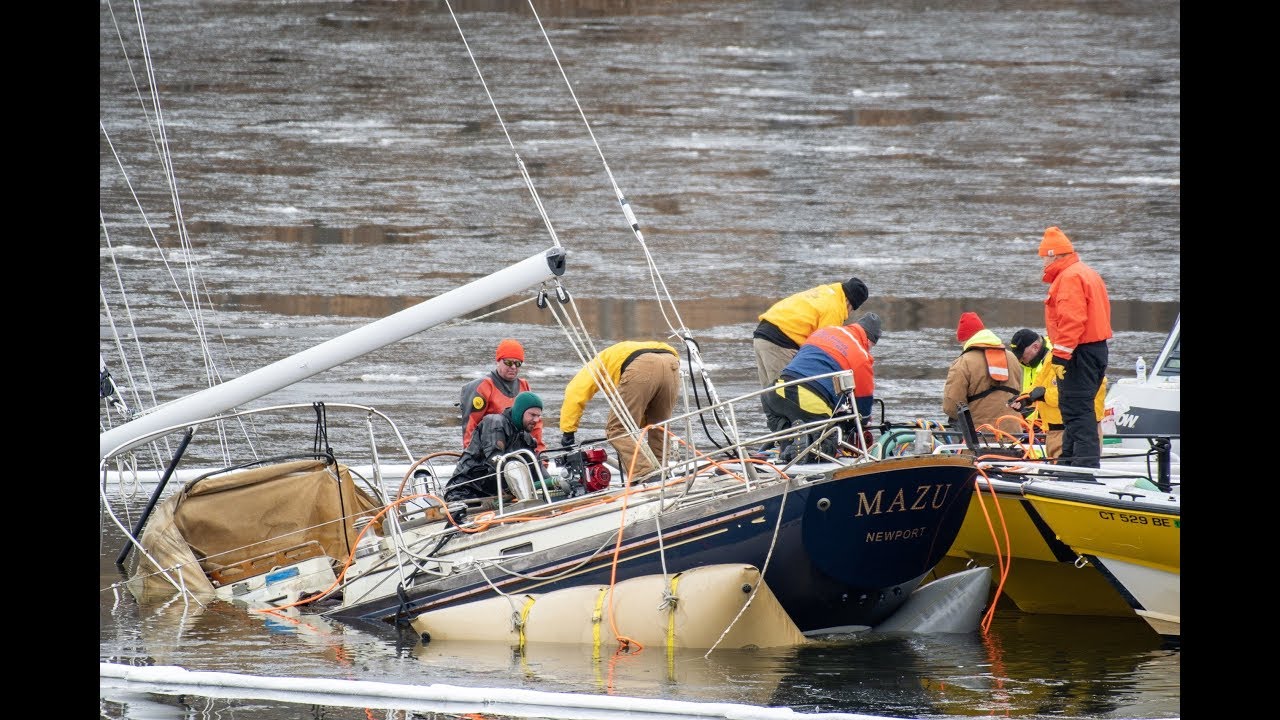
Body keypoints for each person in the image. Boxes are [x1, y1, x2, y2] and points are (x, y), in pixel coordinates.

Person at [1037, 226, 1112, 468]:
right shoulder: (1086, 273)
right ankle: (1069, 466)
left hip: (1078, 354)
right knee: (1074, 412)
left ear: (1054, 254)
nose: (1043, 262)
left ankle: (1083, 471)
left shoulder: (1069, 278)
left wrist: (1060, 355)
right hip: (1093, 351)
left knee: (1077, 414)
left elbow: (1072, 320)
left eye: (1044, 257)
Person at [761, 313, 880, 463]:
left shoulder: (825, 332)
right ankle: (806, 449)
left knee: (788, 431)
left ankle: (790, 447)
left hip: (775, 392)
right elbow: (863, 404)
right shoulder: (861, 355)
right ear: (869, 341)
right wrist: (862, 423)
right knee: (829, 444)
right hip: (807, 398)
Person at [558, 340, 681, 480]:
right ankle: (662, 473)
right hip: (671, 361)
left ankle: (645, 474)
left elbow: (575, 391)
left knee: (617, 429)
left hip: (640, 364)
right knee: (658, 427)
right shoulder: (616, 355)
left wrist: (568, 432)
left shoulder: (597, 363)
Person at [752, 277, 869, 391]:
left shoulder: (825, 291)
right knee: (786, 394)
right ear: (849, 303)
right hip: (780, 342)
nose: (848, 314)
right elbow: (825, 350)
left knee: (769, 393)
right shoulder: (835, 309)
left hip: (762, 335)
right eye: (851, 310)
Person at [1007, 328, 1108, 459]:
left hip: (1072, 429)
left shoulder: (1081, 358)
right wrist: (1025, 398)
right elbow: (1039, 384)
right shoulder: (1052, 357)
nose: (1022, 361)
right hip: (1056, 431)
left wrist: (1043, 395)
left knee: (1070, 471)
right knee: (1059, 470)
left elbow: (1074, 393)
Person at [445, 391, 544, 502]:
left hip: (494, 495)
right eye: (532, 415)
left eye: (538, 416)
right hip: (465, 492)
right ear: (520, 412)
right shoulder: (494, 423)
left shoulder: (525, 438)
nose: (536, 420)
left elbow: (536, 468)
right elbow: (495, 460)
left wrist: (554, 485)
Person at [942, 311, 1024, 436]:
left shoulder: (963, 362)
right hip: (1013, 434)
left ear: (966, 340)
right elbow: (1020, 393)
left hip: (980, 437)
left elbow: (952, 406)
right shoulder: (1012, 358)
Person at [460, 338, 545, 454]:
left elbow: (535, 425)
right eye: (509, 363)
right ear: (498, 361)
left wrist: (540, 455)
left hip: (517, 449)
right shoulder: (483, 387)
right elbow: (470, 426)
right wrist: (470, 457)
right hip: (489, 451)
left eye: (518, 363)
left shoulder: (524, 386)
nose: (513, 367)